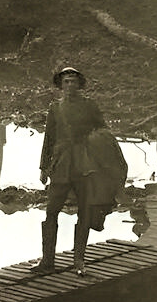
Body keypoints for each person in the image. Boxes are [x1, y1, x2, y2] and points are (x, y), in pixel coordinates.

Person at [31, 67, 105, 276]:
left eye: (73, 81)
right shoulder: (55, 108)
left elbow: (103, 133)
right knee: (51, 211)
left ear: (79, 85)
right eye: (66, 82)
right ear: (60, 86)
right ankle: (47, 260)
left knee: (84, 212)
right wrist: (43, 167)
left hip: (84, 165)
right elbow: (49, 139)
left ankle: (79, 260)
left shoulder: (90, 106)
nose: (70, 85)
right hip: (61, 164)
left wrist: (98, 159)